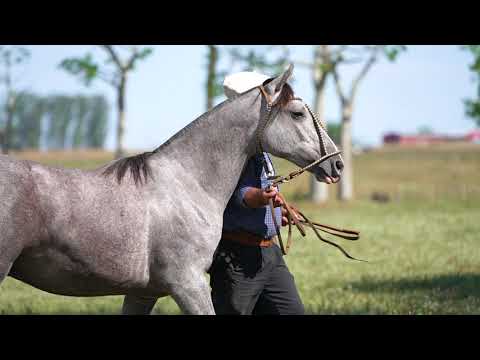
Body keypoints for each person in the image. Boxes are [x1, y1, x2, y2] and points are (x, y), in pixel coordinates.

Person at [208, 72, 305, 315]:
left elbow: (264, 192)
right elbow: (240, 195)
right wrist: (261, 198)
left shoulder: (262, 151)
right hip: (237, 258)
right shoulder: (228, 149)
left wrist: (279, 211)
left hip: (269, 255)